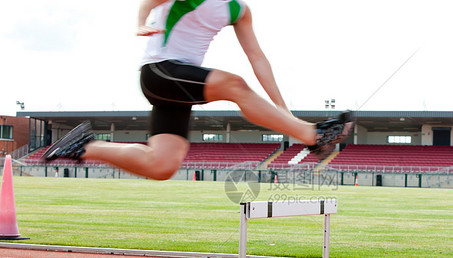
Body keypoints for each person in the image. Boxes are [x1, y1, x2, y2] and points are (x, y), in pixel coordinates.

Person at [44, 0, 354, 180]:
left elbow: (257, 57)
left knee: (162, 165)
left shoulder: (238, 9)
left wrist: (284, 113)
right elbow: (148, 2)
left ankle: (83, 146)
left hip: (180, 88)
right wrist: (141, 23)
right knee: (235, 84)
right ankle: (313, 135)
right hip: (160, 72)